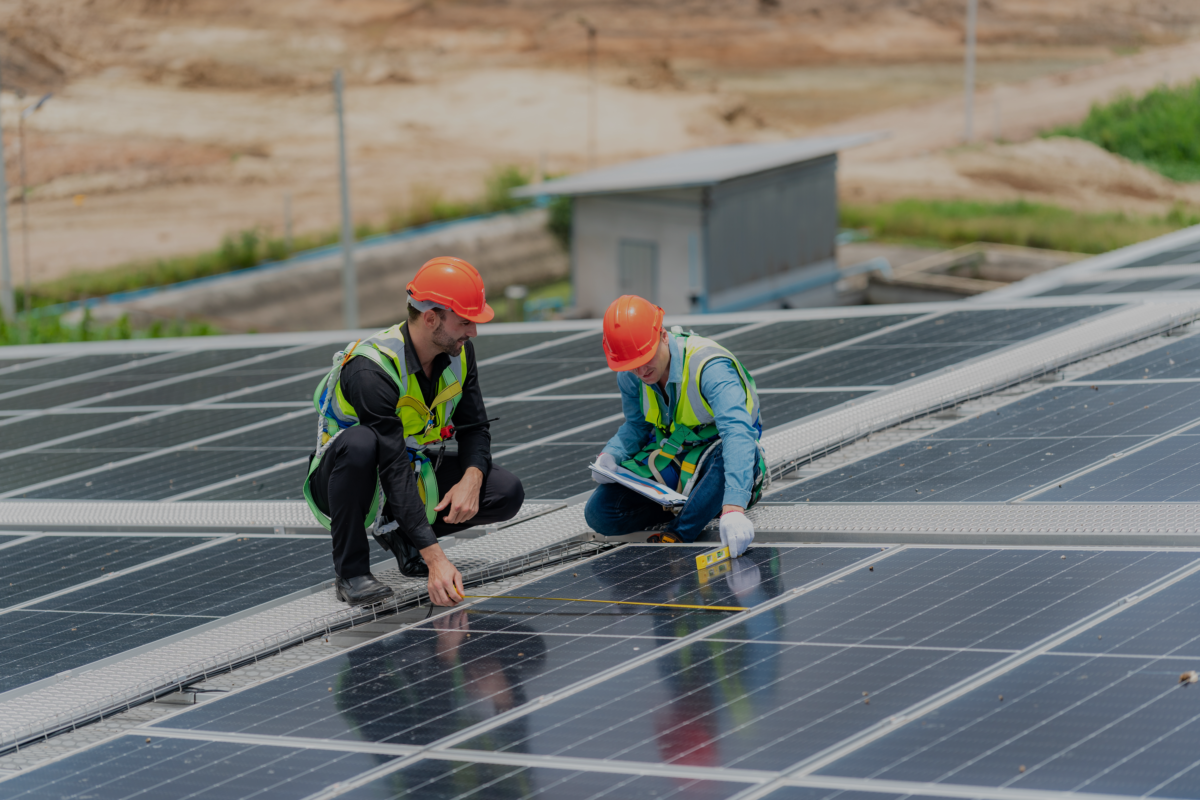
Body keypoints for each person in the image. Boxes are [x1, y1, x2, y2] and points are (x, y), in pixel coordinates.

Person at [304, 256, 525, 606]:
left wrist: (472, 477)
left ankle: (404, 538)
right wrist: (436, 559)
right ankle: (352, 573)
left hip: (407, 468)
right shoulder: (371, 370)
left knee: (504, 491)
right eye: (466, 321)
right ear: (431, 317)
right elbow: (390, 465)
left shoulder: (459, 353)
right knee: (362, 443)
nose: (473, 332)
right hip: (349, 478)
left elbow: (476, 428)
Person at [584, 295, 764, 557]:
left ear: (664, 336)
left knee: (728, 457)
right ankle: (692, 505)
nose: (641, 371)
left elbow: (738, 434)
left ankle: (679, 533)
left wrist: (734, 508)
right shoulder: (630, 375)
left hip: (720, 460)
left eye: (645, 357)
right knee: (600, 515)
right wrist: (610, 456)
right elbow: (636, 426)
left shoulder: (709, 367)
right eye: (632, 364)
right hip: (674, 462)